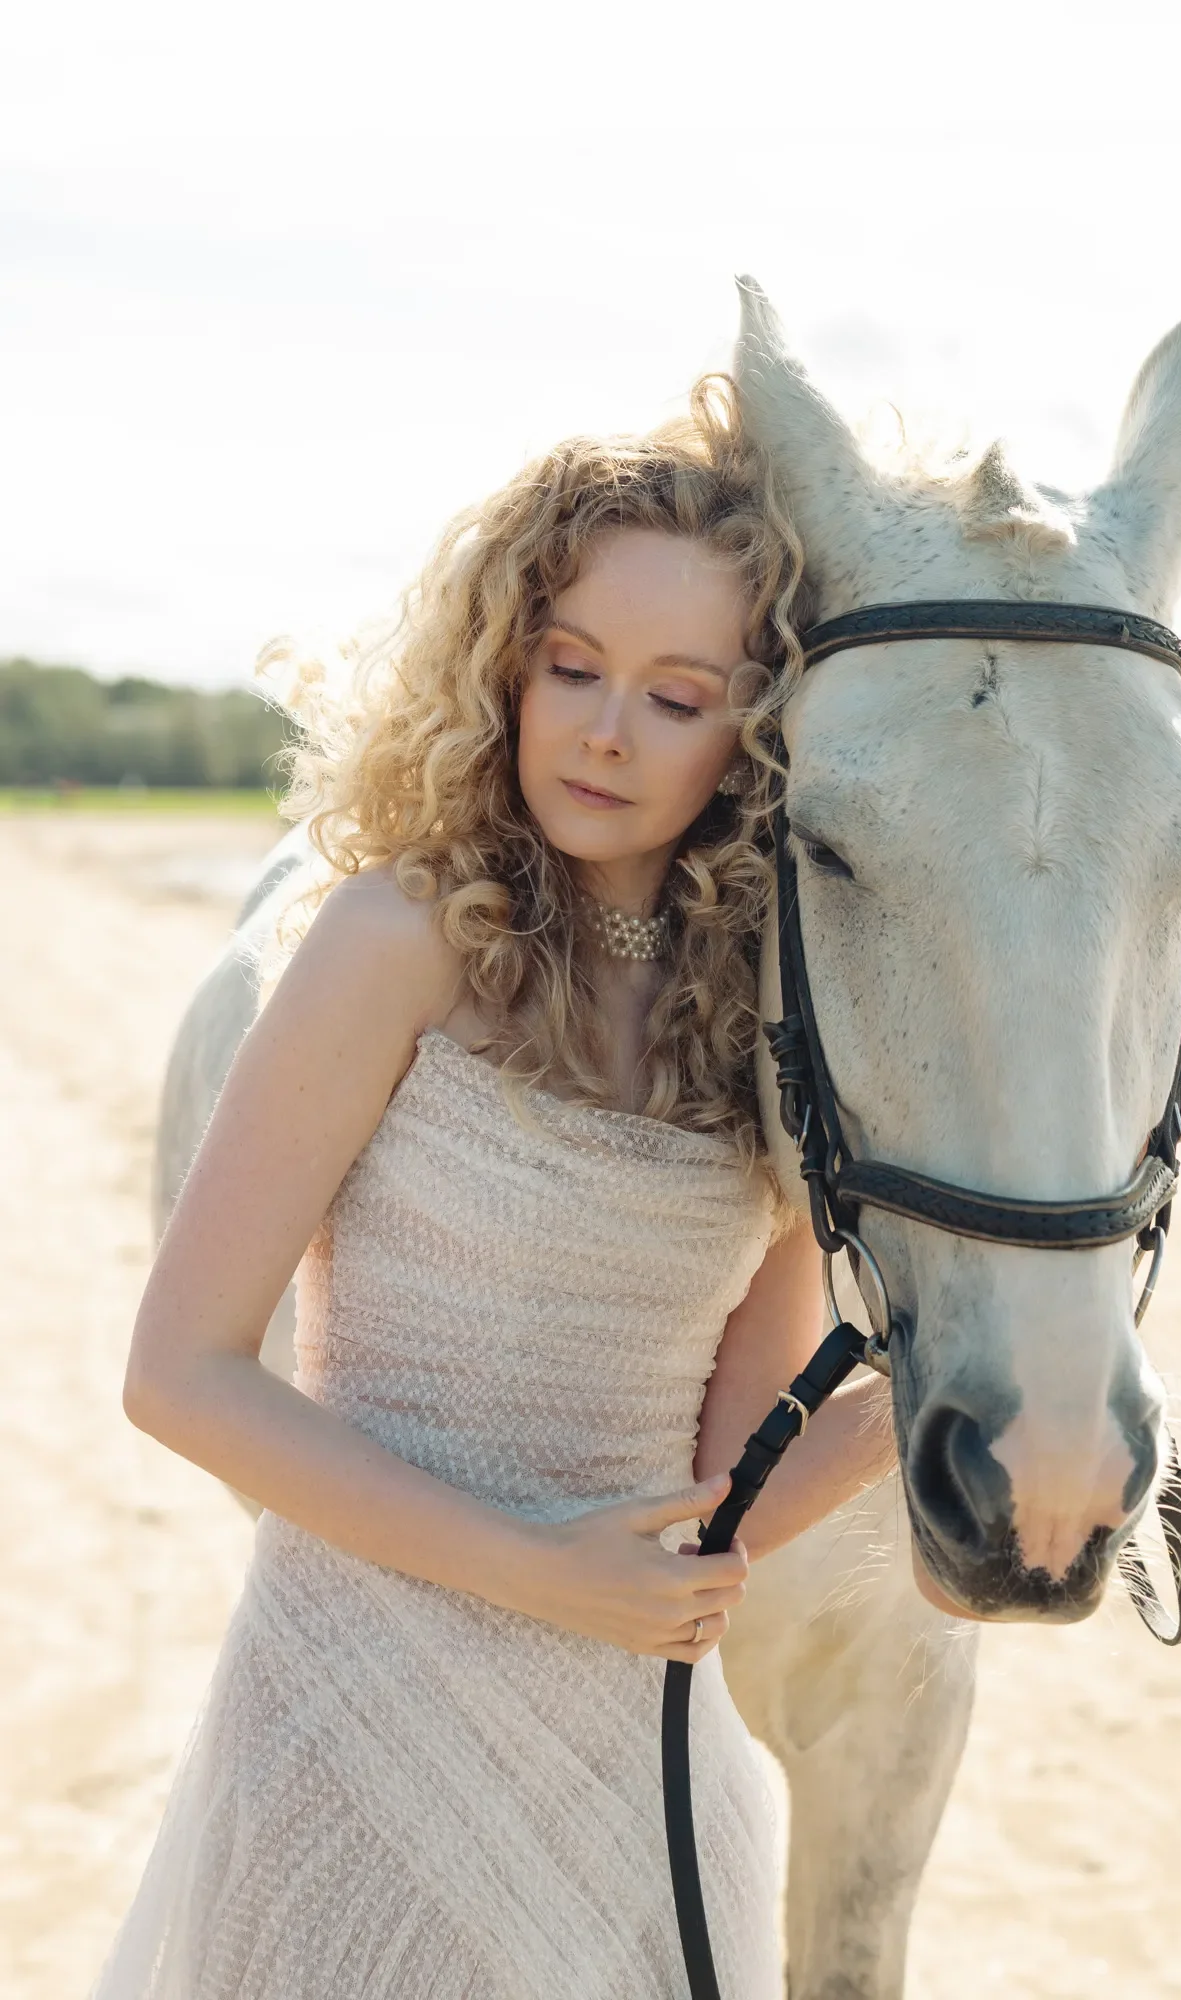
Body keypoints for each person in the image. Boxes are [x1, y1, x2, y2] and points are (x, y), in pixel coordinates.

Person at [92, 373, 898, 1999]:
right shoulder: (396, 938)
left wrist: (932, 1402)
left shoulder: (759, 1020)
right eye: (574, 666)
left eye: (678, 698)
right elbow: (175, 1377)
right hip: (352, 1736)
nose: (605, 729)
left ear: (756, 736)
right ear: (508, 659)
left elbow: (724, 1479)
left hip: (641, 1765)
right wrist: (547, 1575)